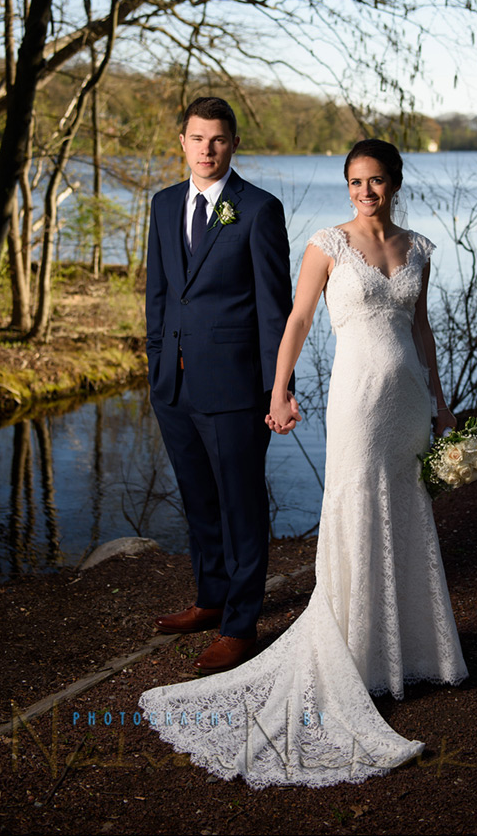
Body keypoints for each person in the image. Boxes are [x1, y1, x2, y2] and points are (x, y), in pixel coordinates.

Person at [140, 139, 468, 786]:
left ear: (395, 183)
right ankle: (352, 650)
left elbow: (422, 326)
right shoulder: (327, 243)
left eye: (375, 181)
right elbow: (295, 318)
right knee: (355, 507)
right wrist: (279, 387)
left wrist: (442, 402)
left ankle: (404, 650)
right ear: (346, 184)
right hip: (356, 402)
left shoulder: (420, 249)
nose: (365, 191)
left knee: (404, 508)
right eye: (355, 181)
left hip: (405, 402)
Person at [146, 96, 292, 673]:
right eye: (197, 138)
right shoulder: (161, 205)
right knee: (199, 501)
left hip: (236, 388)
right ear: (182, 141)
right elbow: (159, 293)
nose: (207, 150)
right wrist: (158, 362)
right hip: (173, 388)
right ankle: (209, 599)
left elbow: (274, 310)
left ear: (233, 144)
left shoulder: (257, 209)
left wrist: (277, 388)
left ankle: (239, 622)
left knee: (241, 506)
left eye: (218, 140)